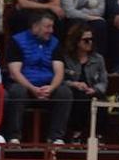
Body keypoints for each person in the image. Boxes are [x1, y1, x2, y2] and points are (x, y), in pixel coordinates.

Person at [4, 11, 71, 144]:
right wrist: (32, 88)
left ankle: (56, 138)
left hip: (47, 87)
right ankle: (14, 137)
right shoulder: (17, 41)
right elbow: (15, 72)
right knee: (17, 91)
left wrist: (51, 88)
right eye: (47, 27)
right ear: (35, 27)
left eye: (52, 27)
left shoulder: (55, 43)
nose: (51, 30)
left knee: (65, 92)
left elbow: (59, 71)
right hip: (26, 86)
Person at [62, 23, 108, 141]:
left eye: (91, 39)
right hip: (74, 90)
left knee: (101, 100)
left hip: (92, 90)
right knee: (78, 98)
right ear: (76, 42)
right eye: (86, 40)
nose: (90, 43)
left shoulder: (98, 59)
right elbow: (61, 79)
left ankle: (99, 136)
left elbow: (104, 81)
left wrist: (95, 89)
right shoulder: (66, 59)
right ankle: (76, 134)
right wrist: (74, 84)